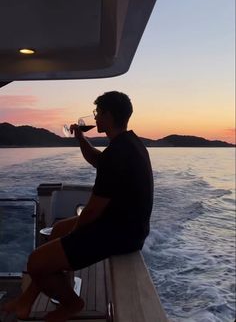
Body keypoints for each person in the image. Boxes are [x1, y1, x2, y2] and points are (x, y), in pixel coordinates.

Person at [2, 91, 153, 322]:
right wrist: (80, 138)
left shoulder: (118, 154)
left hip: (121, 235)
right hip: (126, 226)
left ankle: (72, 303)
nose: (95, 118)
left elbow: (92, 211)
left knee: (35, 261)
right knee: (58, 230)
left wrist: (73, 238)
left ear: (108, 115)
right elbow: (96, 160)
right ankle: (26, 301)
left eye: (98, 113)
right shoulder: (130, 144)